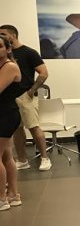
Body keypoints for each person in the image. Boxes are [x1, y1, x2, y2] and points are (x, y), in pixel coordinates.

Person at [0, 25, 52, 171]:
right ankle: (23, 160)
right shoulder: (5, 54)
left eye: (3, 34)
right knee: (17, 130)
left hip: (25, 96)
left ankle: (45, 158)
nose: (1, 36)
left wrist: (31, 91)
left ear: (13, 35)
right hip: (11, 99)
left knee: (33, 127)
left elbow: (43, 73)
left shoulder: (29, 52)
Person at [0, 35, 23, 210]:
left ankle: (2, 198)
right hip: (5, 114)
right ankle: (13, 195)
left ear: (8, 49)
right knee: (6, 156)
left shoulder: (9, 67)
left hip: (5, 115)